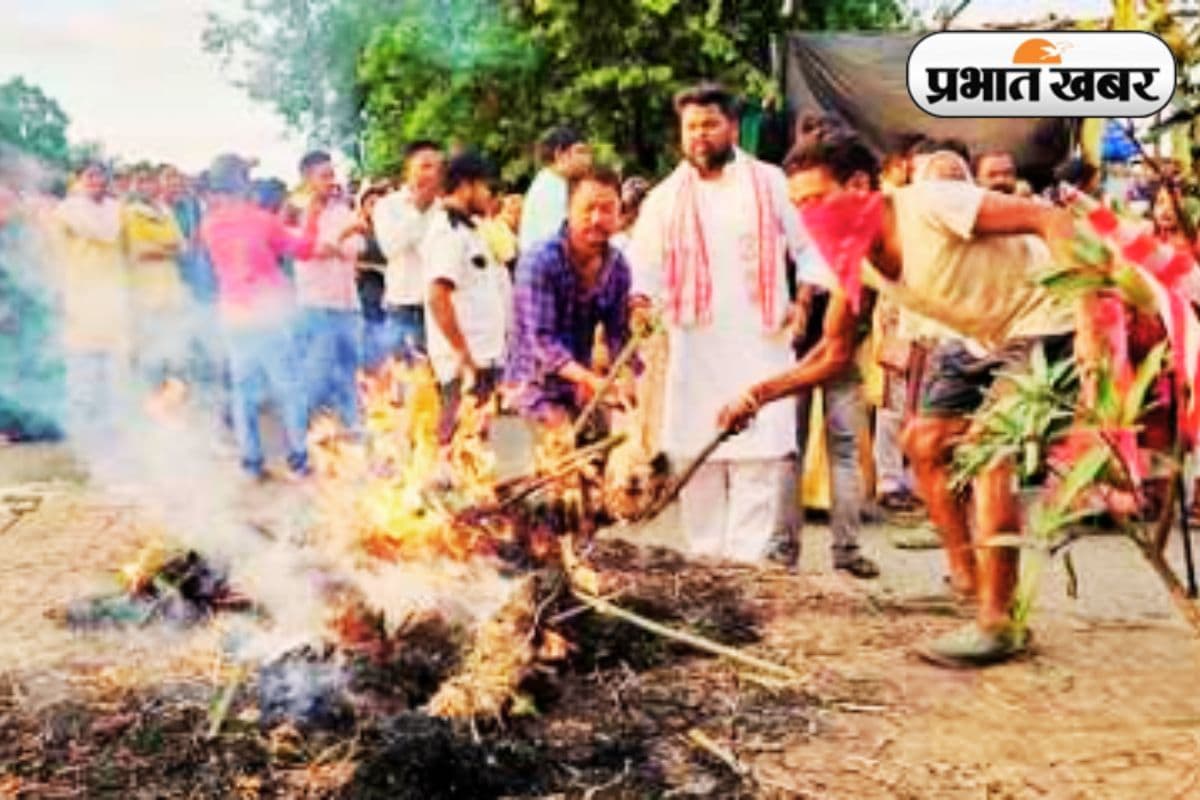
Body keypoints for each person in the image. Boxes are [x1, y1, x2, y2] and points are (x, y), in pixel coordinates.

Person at [717, 134, 1077, 666]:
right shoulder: (852, 257)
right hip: (984, 336)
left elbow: (1052, 221)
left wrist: (1092, 319)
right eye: (798, 207)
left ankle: (999, 623)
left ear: (861, 186)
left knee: (988, 447)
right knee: (922, 441)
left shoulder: (931, 202)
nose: (808, 218)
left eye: (816, 200)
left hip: (1048, 317)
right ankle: (965, 580)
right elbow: (833, 352)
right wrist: (757, 394)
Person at [627, 82, 809, 563]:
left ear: (732, 127)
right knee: (695, 459)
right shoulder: (664, 198)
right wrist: (641, 304)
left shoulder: (771, 182)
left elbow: (809, 247)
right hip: (695, 350)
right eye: (690, 127)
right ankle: (707, 566)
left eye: (709, 124)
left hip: (761, 344)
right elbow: (642, 270)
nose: (699, 135)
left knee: (759, 461)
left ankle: (745, 570)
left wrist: (806, 298)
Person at [770, 144, 881, 579]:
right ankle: (842, 551)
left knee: (795, 451)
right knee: (836, 452)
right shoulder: (831, 227)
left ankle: (785, 552)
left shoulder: (801, 229)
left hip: (816, 352)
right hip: (822, 352)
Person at [199, 154, 321, 480]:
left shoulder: (209, 224)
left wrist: (242, 167)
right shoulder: (261, 221)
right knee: (288, 388)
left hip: (234, 316)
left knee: (244, 392)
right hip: (267, 316)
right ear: (245, 184)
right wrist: (314, 212)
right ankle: (298, 458)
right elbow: (305, 249)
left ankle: (251, 462)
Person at [507, 166, 630, 428]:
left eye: (607, 209)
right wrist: (588, 379)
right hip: (524, 396)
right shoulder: (538, 261)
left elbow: (619, 334)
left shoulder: (618, 267)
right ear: (568, 210)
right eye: (588, 208)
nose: (597, 219)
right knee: (515, 467)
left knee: (590, 461)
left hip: (578, 397)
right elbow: (542, 342)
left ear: (620, 214)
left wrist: (625, 374)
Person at [421, 151, 511, 442]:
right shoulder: (447, 231)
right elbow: (437, 296)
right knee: (461, 454)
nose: (489, 195)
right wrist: (463, 353)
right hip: (467, 366)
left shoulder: (470, 229)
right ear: (466, 186)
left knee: (500, 450)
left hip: (489, 358)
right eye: (486, 187)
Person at [52, 161, 131, 456]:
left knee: (115, 374)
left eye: (101, 175)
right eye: (90, 175)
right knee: (82, 375)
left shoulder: (117, 209)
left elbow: (122, 247)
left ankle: (114, 440)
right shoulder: (67, 210)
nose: (96, 180)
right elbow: (54, 254)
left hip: (113, 297)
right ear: (79, 179)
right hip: (80, 297)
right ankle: (84, 442)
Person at [291, 151, 366, 429]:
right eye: (324, 176)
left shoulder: (341, 209)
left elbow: (357, 246)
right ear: (306, 179)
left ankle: (354, 429)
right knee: (316, 374)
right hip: (315, 305)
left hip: (347, 304)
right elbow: (308, 250)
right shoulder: (296, 211)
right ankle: (299, 433)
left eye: (332, 174)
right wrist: (339, 240)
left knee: (349, 371)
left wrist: (337, 244)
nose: (331, 181)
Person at [373, 140, 444, 359]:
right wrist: (418, 209)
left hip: (439, 307)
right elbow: (390, 247)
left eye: (437, 167)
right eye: (425, 166)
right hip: (403, 308)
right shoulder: (388, 206)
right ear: (408, 169)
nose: (432, 173)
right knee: (405, 382)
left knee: (439, 380)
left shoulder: (444, 208)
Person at [120, 163, 187, 393]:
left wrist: (161, 249)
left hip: (171, 291)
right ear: (132, 185)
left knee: (170, 351)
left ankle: (167, 404)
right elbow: (139, 251)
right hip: (144, 293)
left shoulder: (166, 212)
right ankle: (144, 405)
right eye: (140, 181)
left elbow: (182, 246)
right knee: (147, 353)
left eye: (148, 181)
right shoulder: (128, 213)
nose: (145, 186)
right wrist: (168, 250)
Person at [519, 126, 593, 252]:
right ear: (559, 154)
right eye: (580, 151)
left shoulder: (554, 183)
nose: (588, 159)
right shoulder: (549, 190)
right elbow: (561, 244)